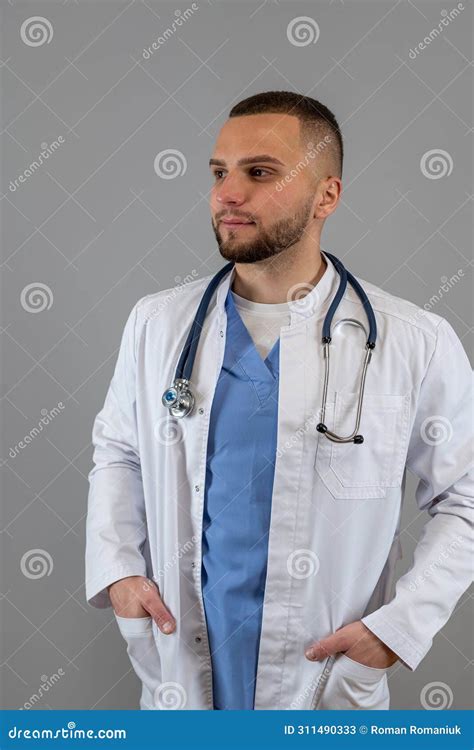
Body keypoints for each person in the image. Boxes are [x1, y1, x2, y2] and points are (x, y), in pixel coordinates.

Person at [85, 91, 473, 710]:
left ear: (327, 196)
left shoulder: (413, 342)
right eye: (219, 172)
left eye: (259, 172)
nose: (227, 194)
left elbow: (465, 499)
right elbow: (120, 453)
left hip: (326, 679)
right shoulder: (158, 325)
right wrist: (119, 571)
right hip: (182, 670)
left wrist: (396, 629)